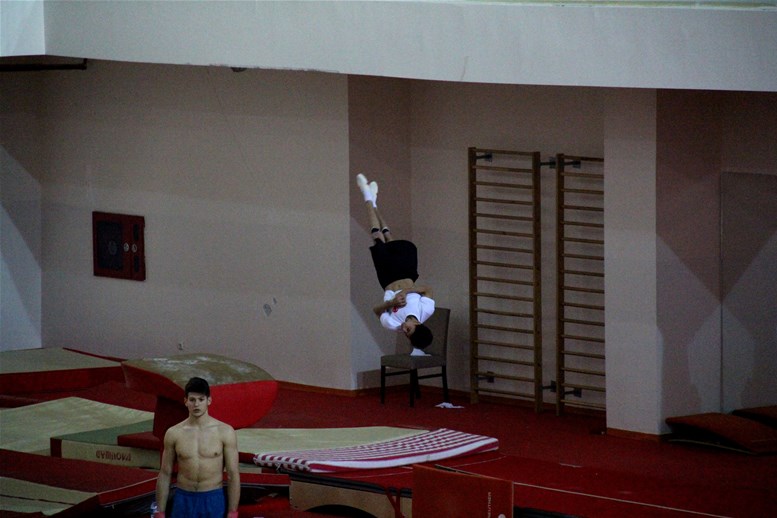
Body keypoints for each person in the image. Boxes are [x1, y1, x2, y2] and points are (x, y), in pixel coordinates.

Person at [356, 173, 435, 356]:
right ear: (418, 323)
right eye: (409, 330)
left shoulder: (393, 324)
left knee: (377, 237)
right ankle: (374, 203)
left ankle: (367, 196)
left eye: (406, 334)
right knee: (389, 237)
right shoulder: (426, 310)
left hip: (387, 278)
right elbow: (427, 289)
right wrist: (407, 292)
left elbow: (376, 310)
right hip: (406, 273)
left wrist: (391, 302)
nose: (404, 330)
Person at [154, 377, 240, 518]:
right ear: (185, 401)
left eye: (201, 399)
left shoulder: (225, 432)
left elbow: (233, 474)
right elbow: (165, 473)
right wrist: (160, 511)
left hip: (213, 499)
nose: (196, 404)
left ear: (209, 401)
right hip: (183, 499)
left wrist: (233, 511)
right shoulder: (174, 433)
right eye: (192, 400)